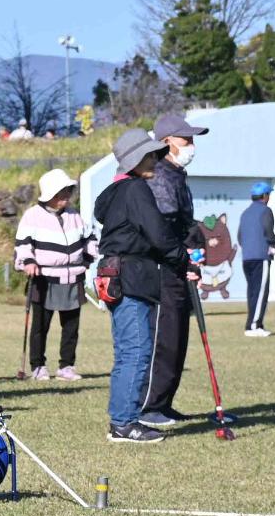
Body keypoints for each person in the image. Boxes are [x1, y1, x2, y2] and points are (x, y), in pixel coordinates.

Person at [95, 130, 181, 443]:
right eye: (150, 155)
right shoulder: (136, 190)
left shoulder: (118, 191)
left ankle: (123, 420)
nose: (156, 161)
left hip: (121, 275)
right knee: (136, 351)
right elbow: (157, 233)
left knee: (129, 351)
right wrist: (182, 259)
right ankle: (124, 423)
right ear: (135, 159)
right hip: (130, 277)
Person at [136, 110, 209, 430]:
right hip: (163, 268)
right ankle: (149, 404)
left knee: (178, 335)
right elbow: (165, 227)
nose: (192, 145)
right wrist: (186, 256)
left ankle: (164, 402)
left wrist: (197, 246)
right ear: (166, 143)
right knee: (163, 337)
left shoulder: (177, 174)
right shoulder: (161, 176)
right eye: (186, 139)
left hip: (178, 266)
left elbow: (184, 223)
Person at [13, 168, 94, 378]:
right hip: (43, 278)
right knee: (40, 326)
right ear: (50, 194)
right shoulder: (32, 216)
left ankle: (66, 366)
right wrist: (28, 262)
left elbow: (90, 240)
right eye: (61, 193)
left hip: (72, 276)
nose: (66, 197)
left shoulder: (74, 215)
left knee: (71, 326)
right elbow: (22, 245)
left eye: (68, 192)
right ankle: (38, 366)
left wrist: (87, 260)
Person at [237, 182, 275, 336]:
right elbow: (268, 229)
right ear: (265, 196)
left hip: (247, 257)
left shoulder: (245, 213)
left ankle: (252, 324)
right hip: (261, 256)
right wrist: (272, 244)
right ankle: (254, 326)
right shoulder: (266, 211)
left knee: (253, 291)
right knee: (261, 292)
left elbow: (240, 236)